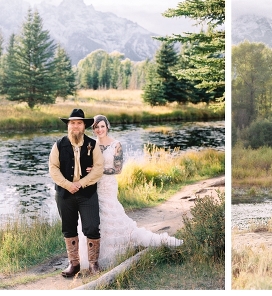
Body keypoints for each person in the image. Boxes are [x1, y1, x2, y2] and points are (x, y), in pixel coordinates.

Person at [77, 114, 182, 271]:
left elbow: (118, 169)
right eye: (96, 127)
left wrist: (98, 170)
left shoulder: (116, 145)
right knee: (95, 221)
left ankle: (132, 247)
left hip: (108, 186)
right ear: (93, 129)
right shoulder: (91, 145)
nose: (99, 129)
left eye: (102, 126)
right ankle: (94, 259)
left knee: (112, 217)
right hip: (93, 187)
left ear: (107, 127)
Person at [49, 109, 105, 277]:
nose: (75, 126)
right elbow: (53, 169)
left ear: (84, 126)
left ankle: (94, 264)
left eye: (79, 123)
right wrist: (68, 185)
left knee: (92, 227)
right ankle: (74, 264)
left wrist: (80, 183)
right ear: (68, 125)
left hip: (87, 194)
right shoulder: (58, 145)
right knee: (68, 228)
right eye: (72, 122)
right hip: (65, 194)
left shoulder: (93, 144)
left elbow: (99, 169)